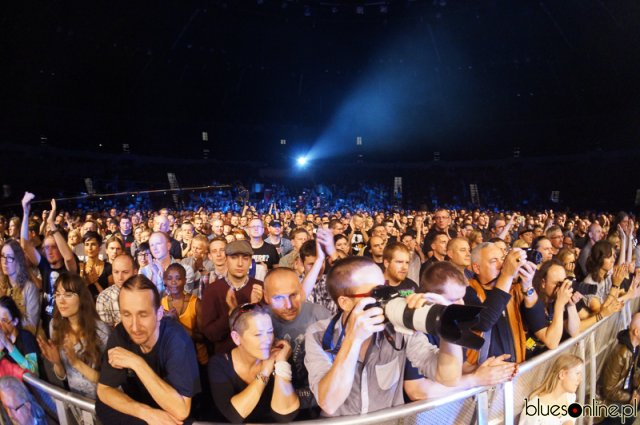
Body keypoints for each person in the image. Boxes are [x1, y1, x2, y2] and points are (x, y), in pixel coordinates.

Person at [304, 256, 463, 416]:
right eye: (377, 293)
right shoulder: (319, 334)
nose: (387, 299)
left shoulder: (397, 327)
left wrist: (445, 321)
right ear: (345, 303)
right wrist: (353, 340)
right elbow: (329, 402)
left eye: (387, 290)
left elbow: (449, 378)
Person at [96, 275, 201, 424]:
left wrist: (137, 363)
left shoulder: (177, 340)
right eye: (127, 314)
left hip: (178, 417)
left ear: (159, 313)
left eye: (143, 315)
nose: (134, 326)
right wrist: (145, 413)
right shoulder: (121, 333)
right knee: (102, 407)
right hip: (146, 411)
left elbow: (181, 410)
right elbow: (104, 390)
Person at [208, 303, 300, 423]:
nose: (267, 340)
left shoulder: (281, 357)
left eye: (270, 332)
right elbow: (233, 415)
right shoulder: (219, 365)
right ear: (236, 337)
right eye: (258, 334)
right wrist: (265, 372)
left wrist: (281, 363)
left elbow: (285, 415)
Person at [263, 267, 330, 414]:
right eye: (278, 298)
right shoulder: (259, 321)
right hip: (275, 405)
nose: (289, 305)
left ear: (302, 290)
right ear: (266, 297)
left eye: (294, 295)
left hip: (318, 404)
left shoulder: (321, 316)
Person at [37, 273, 110, 399]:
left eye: (68, 295)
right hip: (75, 400)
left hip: (101, 401)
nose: (61, 300)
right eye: (58, 294)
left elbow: (108, 380)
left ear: (82, 298)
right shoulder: (55, 325)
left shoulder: (101, 330)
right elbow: (63, 375)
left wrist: (76, 363)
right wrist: (57, 363)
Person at [20, 194, 78, 337]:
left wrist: (51, 223)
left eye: (53, 247)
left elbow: (69, 257)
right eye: (46, 248)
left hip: (68, 329)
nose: (49, 251)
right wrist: (25, 212)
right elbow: (24, 244)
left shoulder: (68, 269)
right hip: (47, 328)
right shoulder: (44, 265)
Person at [201, 240, 264, 354]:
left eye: (245, 258)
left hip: (256, 355)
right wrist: (231, 314)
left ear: (250, 261)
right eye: (234, 257)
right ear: (226, 259)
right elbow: (210, 334)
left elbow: (267, 330)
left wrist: (255, 306)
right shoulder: (212, 290)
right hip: (224, 359)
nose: (240, 263)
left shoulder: (259, 288)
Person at [597, 312, 640, 425]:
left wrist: (636, 392)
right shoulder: (621, 353)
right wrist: (630, 397)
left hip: (624, 390)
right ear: (637, 332)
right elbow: (608, 390)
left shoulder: (635, 348)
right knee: (629, 415)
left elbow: (633, 376)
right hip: (607, 401)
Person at [161, 263, 207, 366]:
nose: (173, 282)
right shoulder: (162, 303)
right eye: (169, 278)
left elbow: (202, 337)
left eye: (178, 278)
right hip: (173, 359)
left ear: (185, 280)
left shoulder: (196, 303)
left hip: (196, 360)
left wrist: (177, 323)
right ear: (165, 281)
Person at [518, 354, 583, 425]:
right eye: (577, 373)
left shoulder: (570, 396)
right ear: (562, 374)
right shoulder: (533, 410)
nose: (580, 379)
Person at [0, 240, 41, 335]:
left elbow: (32, 325)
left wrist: (10, 317)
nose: (5, 262)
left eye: (10, 257)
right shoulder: (2, 286)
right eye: (3, 256)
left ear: (18, 260)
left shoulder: (29, 288)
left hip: (21, 341)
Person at [95, 254, 138, 327]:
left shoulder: (146, 293)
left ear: (135, 272)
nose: (120, 277)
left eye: (125, 272)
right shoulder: (104, 298)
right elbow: (105, 333)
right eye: (116, 272)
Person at [0, 296, 39, 376]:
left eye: (4, 320)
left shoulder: (26, 337)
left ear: (15, 321)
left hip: (29, 387)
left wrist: (7, 344)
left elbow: (33, 372)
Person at [78, 231, 111, 298]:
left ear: (99, 248)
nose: (90, 248)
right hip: (86, 305)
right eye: (87, 244)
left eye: (93, 244)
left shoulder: (108, 267)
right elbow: (79, 294)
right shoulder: (81, 268)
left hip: (103, 305)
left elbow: (110, 296)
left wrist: (95, 282)